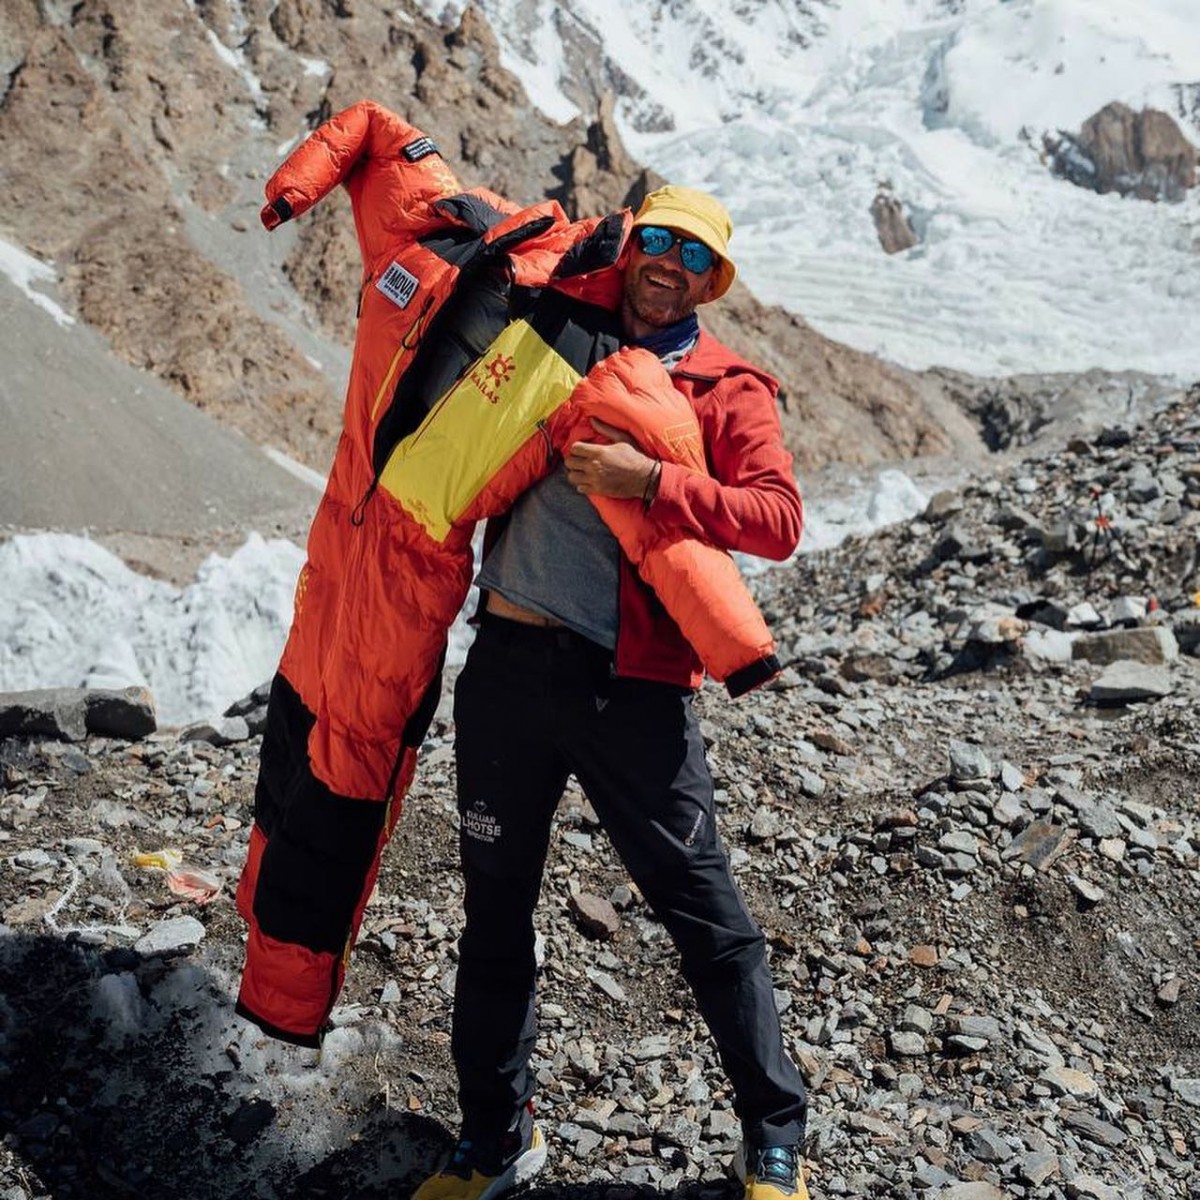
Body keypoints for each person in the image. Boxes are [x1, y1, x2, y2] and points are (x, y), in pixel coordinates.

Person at [413, 186, 809, 1200]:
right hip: (504, 670)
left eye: (696, 256)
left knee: (703, 913)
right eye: (659, 241)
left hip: (629, 688)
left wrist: (651, 483)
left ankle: (773, 1137)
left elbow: (774, 519)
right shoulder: (554, 331)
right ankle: (497, 1137)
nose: (670, 263)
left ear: (712, 279)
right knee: (494, 910)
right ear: (634, 248)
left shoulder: (728, 388)